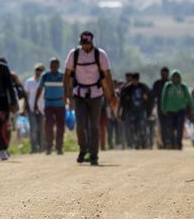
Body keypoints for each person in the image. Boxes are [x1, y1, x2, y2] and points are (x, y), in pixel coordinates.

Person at [63, 31, 115, 165]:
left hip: (96, 95)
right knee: (80, 125)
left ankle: (94, 155)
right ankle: (83, 148)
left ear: (92, 43)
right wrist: (66, 93)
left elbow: (107, 75)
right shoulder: (74, 55)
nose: (85, 47)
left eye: (87, 44)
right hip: (79, 94)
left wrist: (112, 95)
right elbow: (67, 75)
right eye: (83, 44)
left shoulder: (100, 55)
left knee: (94, 126)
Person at [35, 57, 66, 155]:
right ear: (49, 66)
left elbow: (68, 88)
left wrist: (70, 100)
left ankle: (59, 147)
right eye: (52, 65)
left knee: (60, 126)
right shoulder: (45, 76)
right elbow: (39, 89)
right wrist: (36, 102)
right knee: (48, 125)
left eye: (55, 65)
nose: (54, 67)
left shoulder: (62, 76)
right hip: (48, 104)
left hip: (60, 104)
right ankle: (49, 146)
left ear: (58, 66)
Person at [159, 70, 194, 149]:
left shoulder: (183, 87)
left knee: (180, 128)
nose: (175, 79)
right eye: (174, 77)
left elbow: (189, 99)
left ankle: (178, 144)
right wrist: (163, 108)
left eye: (177, 77)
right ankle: (171, 144)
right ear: (171, 78)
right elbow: (164, 98)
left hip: (180, 110)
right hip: (170, 110)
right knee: (170, 128)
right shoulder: (168, 86)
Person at [119, 72, 151, 149]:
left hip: (141, 111)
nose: (134, 82)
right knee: (132, 128)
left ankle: (143, 143)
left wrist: (148, 108)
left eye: (136, 80)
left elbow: (150, 98)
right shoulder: (128, 89)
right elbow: (122, 99)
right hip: (131, 111)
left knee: (142, 127)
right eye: (133, 80)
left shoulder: (143, 87)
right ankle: (135, 143)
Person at [24, 63, 46, 153]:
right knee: (34, 128)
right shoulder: (29, 82)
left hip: (42, 108)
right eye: (37, 70)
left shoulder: (45, 82)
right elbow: (26, 95)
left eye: (40, 70)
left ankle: (42, 147)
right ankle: (34, 148)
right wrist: (26, 107)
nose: (38, 72)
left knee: (42, 129)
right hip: (32, 108)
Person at [151, 67, 170, 149]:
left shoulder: (171, 83)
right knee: (162, 126)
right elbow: (153, 96)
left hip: (171, 108)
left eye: (166, 74)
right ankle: (164, 143)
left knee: (170, 126)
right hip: (160, 108)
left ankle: (170, 142)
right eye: (163, 74)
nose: (164, 76)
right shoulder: (157, 83)